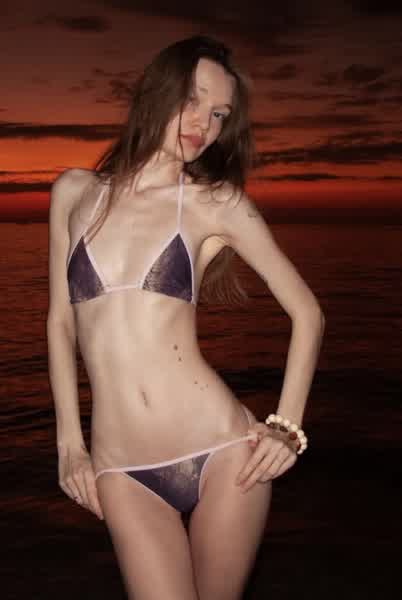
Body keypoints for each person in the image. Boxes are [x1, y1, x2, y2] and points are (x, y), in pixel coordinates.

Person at [47, 35, 325, 600]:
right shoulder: (73, 192)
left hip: (222, 450)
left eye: (220, 113)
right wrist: (69, 446)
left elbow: (307, 312)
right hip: (121, 467)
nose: (205, 124)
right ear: (158, 91)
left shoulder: (213, 203)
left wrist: (287, 428)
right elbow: (60, 323)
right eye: (193, 100)